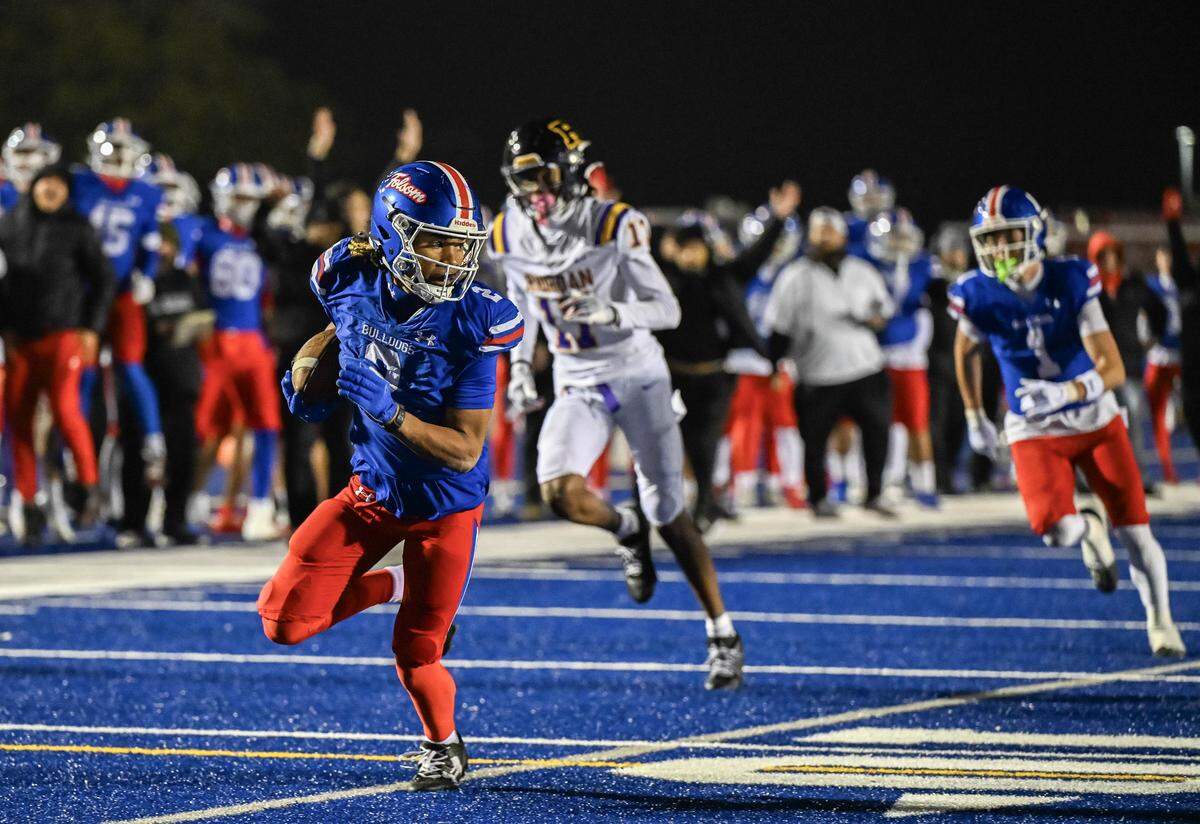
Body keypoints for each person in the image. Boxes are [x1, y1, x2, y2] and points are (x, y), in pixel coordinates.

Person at [260, 160, 520, 790]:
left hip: (443, 507)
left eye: (461, 245)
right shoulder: (345, 274)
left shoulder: (473, 321)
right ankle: (395, 583)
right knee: (282, 621)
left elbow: (465, 450)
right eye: (437, 242)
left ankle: (444, 745)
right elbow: (340, 332)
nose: (453, 260)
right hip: (370, 491)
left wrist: (392, 413)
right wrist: (308, 380)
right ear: (391, 235)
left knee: (417, 652)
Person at [494, 118, 744, 690]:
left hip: (637, 375)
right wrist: (519, 367)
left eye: (546, 176)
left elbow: (667, 310)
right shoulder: (509, 230)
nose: (537, 192)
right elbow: (521, 300)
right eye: (525, 179)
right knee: (559, 491)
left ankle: (722, 632)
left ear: (574, 173)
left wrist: (614, 312)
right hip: (577, 379)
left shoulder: (612, 222)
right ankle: (625, 528)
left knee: (669, 511)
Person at [951, 186, 1184, 657]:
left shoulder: (1070, 279)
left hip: (1093, 418)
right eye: (990, 239)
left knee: (1136, 533)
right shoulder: (977, 293)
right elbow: (964, 351)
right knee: (1056, 531)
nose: (998, 249)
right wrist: (974, 415)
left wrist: (1067, 391)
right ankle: (1090, 524)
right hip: (1034, 426)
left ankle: (1160, 619)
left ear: (1034, 234)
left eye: (1008, 236)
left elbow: (1112, 368)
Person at [656, 181, 801, 531]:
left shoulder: (722, 278)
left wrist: (778, 219)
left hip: (714, 375)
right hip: (672, 375)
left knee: (706, 441)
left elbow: (756, 256)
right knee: (666, 440)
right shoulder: (663, 280)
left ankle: (705, 503)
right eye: (685, 249)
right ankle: (671, 501)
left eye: (696, 248)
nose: (691, 256)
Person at [0, 164, 116, 544]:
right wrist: (6, 329)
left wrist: (92, 328)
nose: (51, 190)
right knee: (19, 419)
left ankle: (86, 485)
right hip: (22, 338)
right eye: (45, 183)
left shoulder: (77, 226)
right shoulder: (10, 224)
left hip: (64, 334)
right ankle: (28, 500)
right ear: (33, 186)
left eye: (58, 184)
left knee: (66, 409)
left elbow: (104, 278)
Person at [765, 207, 896, 517]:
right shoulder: (794, 276)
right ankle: (819, 496)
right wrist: (774, 365)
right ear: (809, 235)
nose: (824, 237)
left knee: (877, 432)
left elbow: (885, 313)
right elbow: (778, 328)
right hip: (816, 373)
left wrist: (874, 321)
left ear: (842, 235)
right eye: (819, 231)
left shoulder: (862, 270)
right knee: (813, 440)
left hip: (865, 366)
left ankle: (874, 493)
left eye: (830, 231)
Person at [72, 119, 166, 487]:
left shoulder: (146, 192)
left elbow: (150, 243)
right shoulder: (80, 182)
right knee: (84, 370)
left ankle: (154, 440)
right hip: (84, 291)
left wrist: (147, 274)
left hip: (124, 290)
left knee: (130, 364)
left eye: (126, 148)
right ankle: (75, 442)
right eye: (114, 147)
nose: (120, 155)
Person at [193, 163, 282, 541]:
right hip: (214, 338)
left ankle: (259, 508)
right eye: (239, 197)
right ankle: (186, 501)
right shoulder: (202, 234)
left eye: (250, 198)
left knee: (266, 426)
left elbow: (269, 296)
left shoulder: (262, 240)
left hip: (253, 340)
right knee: (206, 429)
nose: (244, 205)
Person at [721, 206, 807, 512]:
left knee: (786, 425)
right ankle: (740, 484)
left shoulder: (796, 272)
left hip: (780, 360)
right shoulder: (740, 271)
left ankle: (787, 483)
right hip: (745, 359)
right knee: (744, 423)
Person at [860, 208, 939, 507]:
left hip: (910, 357)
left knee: (917, 422)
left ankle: (924, 483)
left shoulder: (922, 266)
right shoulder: (866, 265)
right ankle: (888, 480)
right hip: (876, 357)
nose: (900, 243)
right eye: (895, 237)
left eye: (904, 237)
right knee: (885, 424)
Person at [1086, 231, 1163, 491]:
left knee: (1132, 425)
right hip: (1099, 368)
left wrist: (1152, 339)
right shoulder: (1090, 288)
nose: (1109, 260)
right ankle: (1091, 480)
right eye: (1103, 255)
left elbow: (1159, 310)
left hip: (1129, 365)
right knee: (1094, 426)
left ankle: (1138, 479)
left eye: (1112, 254)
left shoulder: (1133, 285)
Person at [1161, 188, 1200, 456]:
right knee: (1194, 421)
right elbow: (1181, 258)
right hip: (1192, 374)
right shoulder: (1188, 284)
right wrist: (1173, 223)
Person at [1143, 246, 1184, 484]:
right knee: (1157, 415)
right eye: (1161, 257)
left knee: (1190, 410)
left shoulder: (1183, 284)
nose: (1165, 261)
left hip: (1182, 355)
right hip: (1159, 356)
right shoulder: (1151, 285)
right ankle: (1168, 470)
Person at [845, 169, 896, 249]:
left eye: (870, 177)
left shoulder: (883, 187)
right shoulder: (858, 187)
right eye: (866, 178)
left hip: (880, 215)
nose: (868, 179)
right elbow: (856, 202)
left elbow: (886, 202)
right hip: (862, 216)